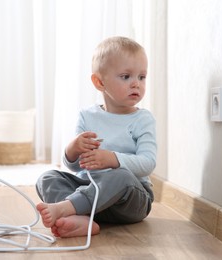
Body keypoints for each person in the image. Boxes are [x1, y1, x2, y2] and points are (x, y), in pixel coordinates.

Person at [35, 36, 157, 238]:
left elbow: (148, 163)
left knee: (122, 176)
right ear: (99, 82)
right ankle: (81, 218)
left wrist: (112, 159)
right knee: (47, 177)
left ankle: (68, 209)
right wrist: (73, 150)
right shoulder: (87, 116)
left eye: (142, 77)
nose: (136, 84)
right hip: (91, 193)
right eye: (126, 77)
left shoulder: (143, 119)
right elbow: (76, 167)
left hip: (129, 200)